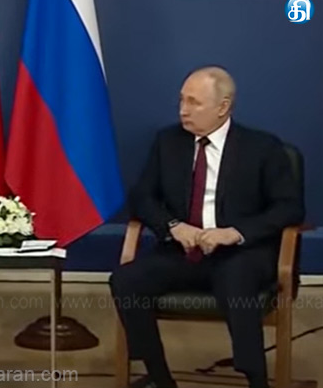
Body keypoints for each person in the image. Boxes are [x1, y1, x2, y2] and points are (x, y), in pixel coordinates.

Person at [110, 66, 304, 388]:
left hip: (241, 254)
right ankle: (158, 376)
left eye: (194, 102)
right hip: (183, 251)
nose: (183, 110)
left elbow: (289, 207)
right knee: (126, 280)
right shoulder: (168, 142)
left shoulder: (263, 148)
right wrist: (173, 226)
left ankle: (255, 378)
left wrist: (234, 233)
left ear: (223, 107)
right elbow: (142, 197)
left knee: (236, 277)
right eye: (181, 100)